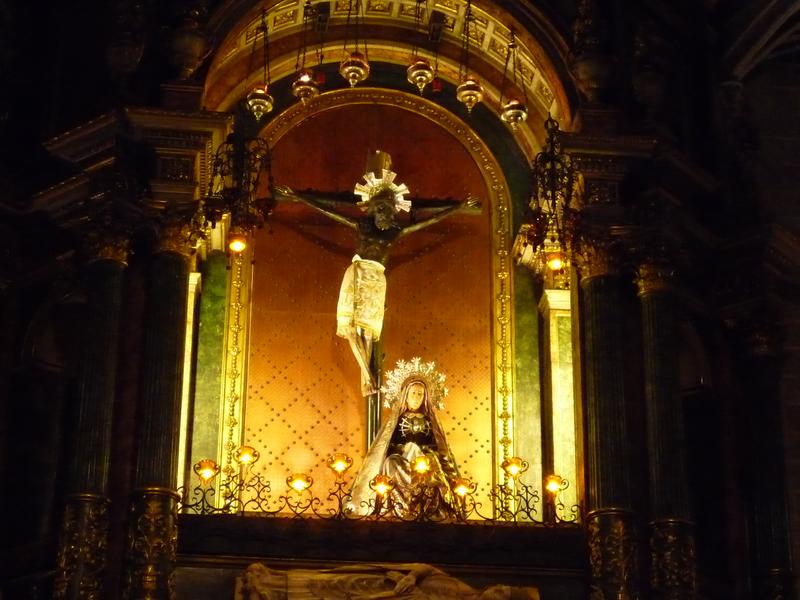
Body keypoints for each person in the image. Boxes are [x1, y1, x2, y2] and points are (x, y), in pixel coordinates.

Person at [272, 151, 479, 396]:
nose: (384, 213)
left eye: (388, 210)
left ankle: (366, 382)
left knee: (369, 331)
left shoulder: (394, 232)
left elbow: (427, 222)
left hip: (377, 280)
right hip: (358, 273)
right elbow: (330, 212)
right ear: (372, 209)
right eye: (380, 208)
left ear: (393, 211)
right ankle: (367, 376)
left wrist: (458, 208)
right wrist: (297, 196)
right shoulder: (362, 226)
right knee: (352, 328)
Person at [348, 358, 459, 518]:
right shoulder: (397, 420)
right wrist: (402, 448)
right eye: (413, 393)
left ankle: (425, 506)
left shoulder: (430, 421)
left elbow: (438, 447)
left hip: (423, 461)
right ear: (405, 396)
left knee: (432, 466)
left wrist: (425, 452)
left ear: (425, 397)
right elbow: (387, 445)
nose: (416, 397)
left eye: (420, 394)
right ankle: (396, 506)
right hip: (402, 460)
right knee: (390, 463)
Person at [238, 561, 541, 599]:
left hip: (385, 596)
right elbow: (427, 569)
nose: (494, 589)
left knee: (328, 594)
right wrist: (411, 575)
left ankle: (270, 592)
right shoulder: (465, 589)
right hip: (383, 582)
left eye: (501, 593)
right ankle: (271, 580)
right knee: (331, 580)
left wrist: (411, 590)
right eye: (499, 586)